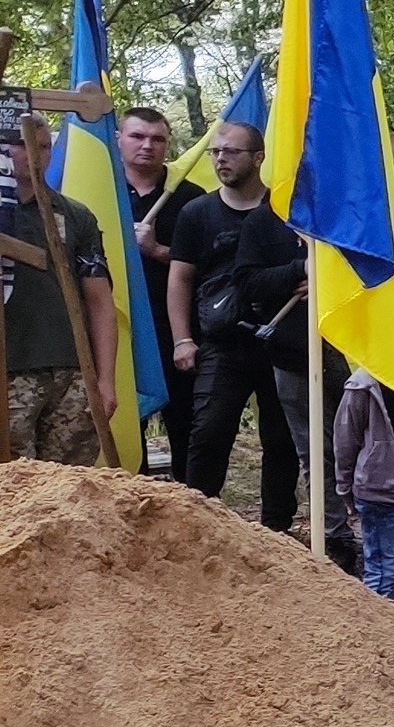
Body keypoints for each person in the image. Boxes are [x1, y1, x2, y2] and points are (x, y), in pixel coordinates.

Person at [169, 121, 306, 527]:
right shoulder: (197, 213)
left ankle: (275, 529)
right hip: (224, 342)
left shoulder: (287, 211)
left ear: (259, 157)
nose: (220, 159)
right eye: (216, 152)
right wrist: (182, 339)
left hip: (283, 341)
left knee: (281, 440)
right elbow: (180, 279)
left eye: (231, 151)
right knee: (209, 432)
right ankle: (197, 524)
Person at [0, 136, 117, 467]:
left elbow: (99, 301)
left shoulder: (75, 214)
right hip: (9, 370)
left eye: (43, 145)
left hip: (72, 372)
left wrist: (105, 379)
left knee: (71, 484)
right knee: (13, 484)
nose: (34, 153)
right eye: (21, 143)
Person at [120, 107, 205, 479]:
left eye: (157, 139)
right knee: (126, 426)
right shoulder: (100, 188)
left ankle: (189, 501)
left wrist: (156, 250)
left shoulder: (191, 197)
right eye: (137, 136)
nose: (147, 146)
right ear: (118, 139)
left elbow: (211, 265)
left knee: (187, 424)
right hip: (121, 329)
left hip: (178, 331)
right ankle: (131, 497)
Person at [330, 352, 394, 615]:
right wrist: (345, 486)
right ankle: (375, 631)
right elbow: (345, 440)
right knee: (384, 571)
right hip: (379, 489)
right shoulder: (362, 385)